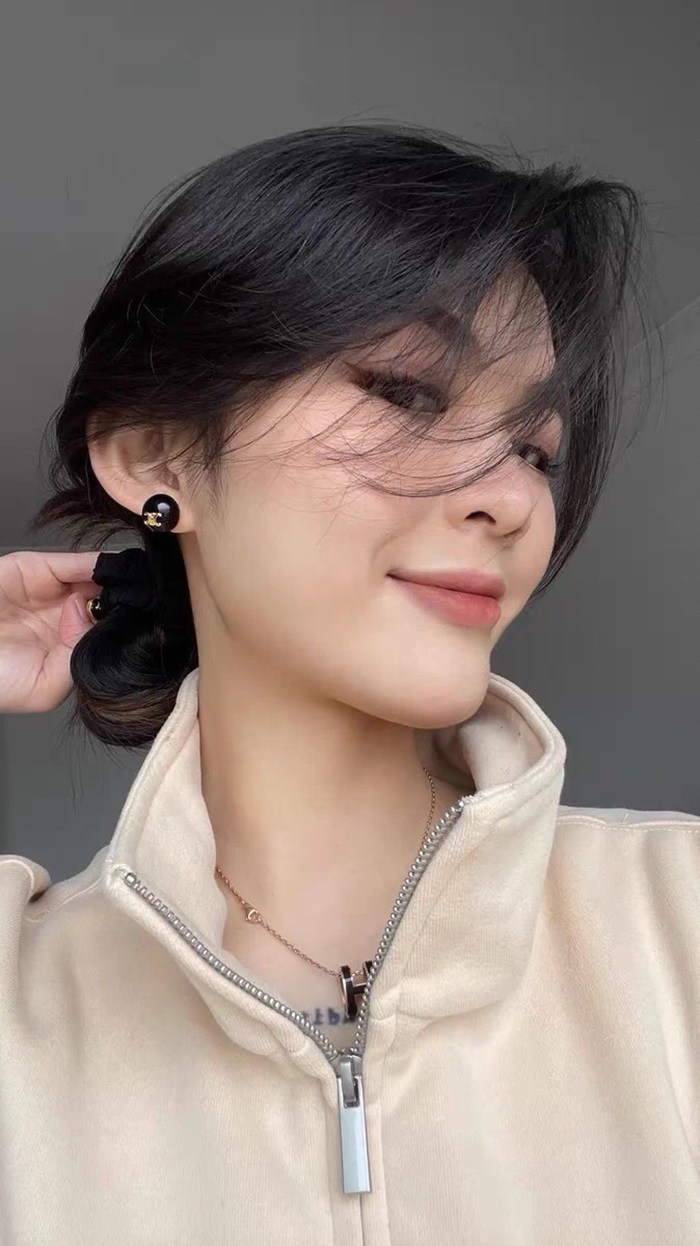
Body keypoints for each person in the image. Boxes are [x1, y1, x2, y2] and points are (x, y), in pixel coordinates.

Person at [1, 121, 698, 1245]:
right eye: (407, 392)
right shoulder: (16, 1000)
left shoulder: (677, 920)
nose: (509, 500)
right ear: (157, 458)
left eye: (536, 449)